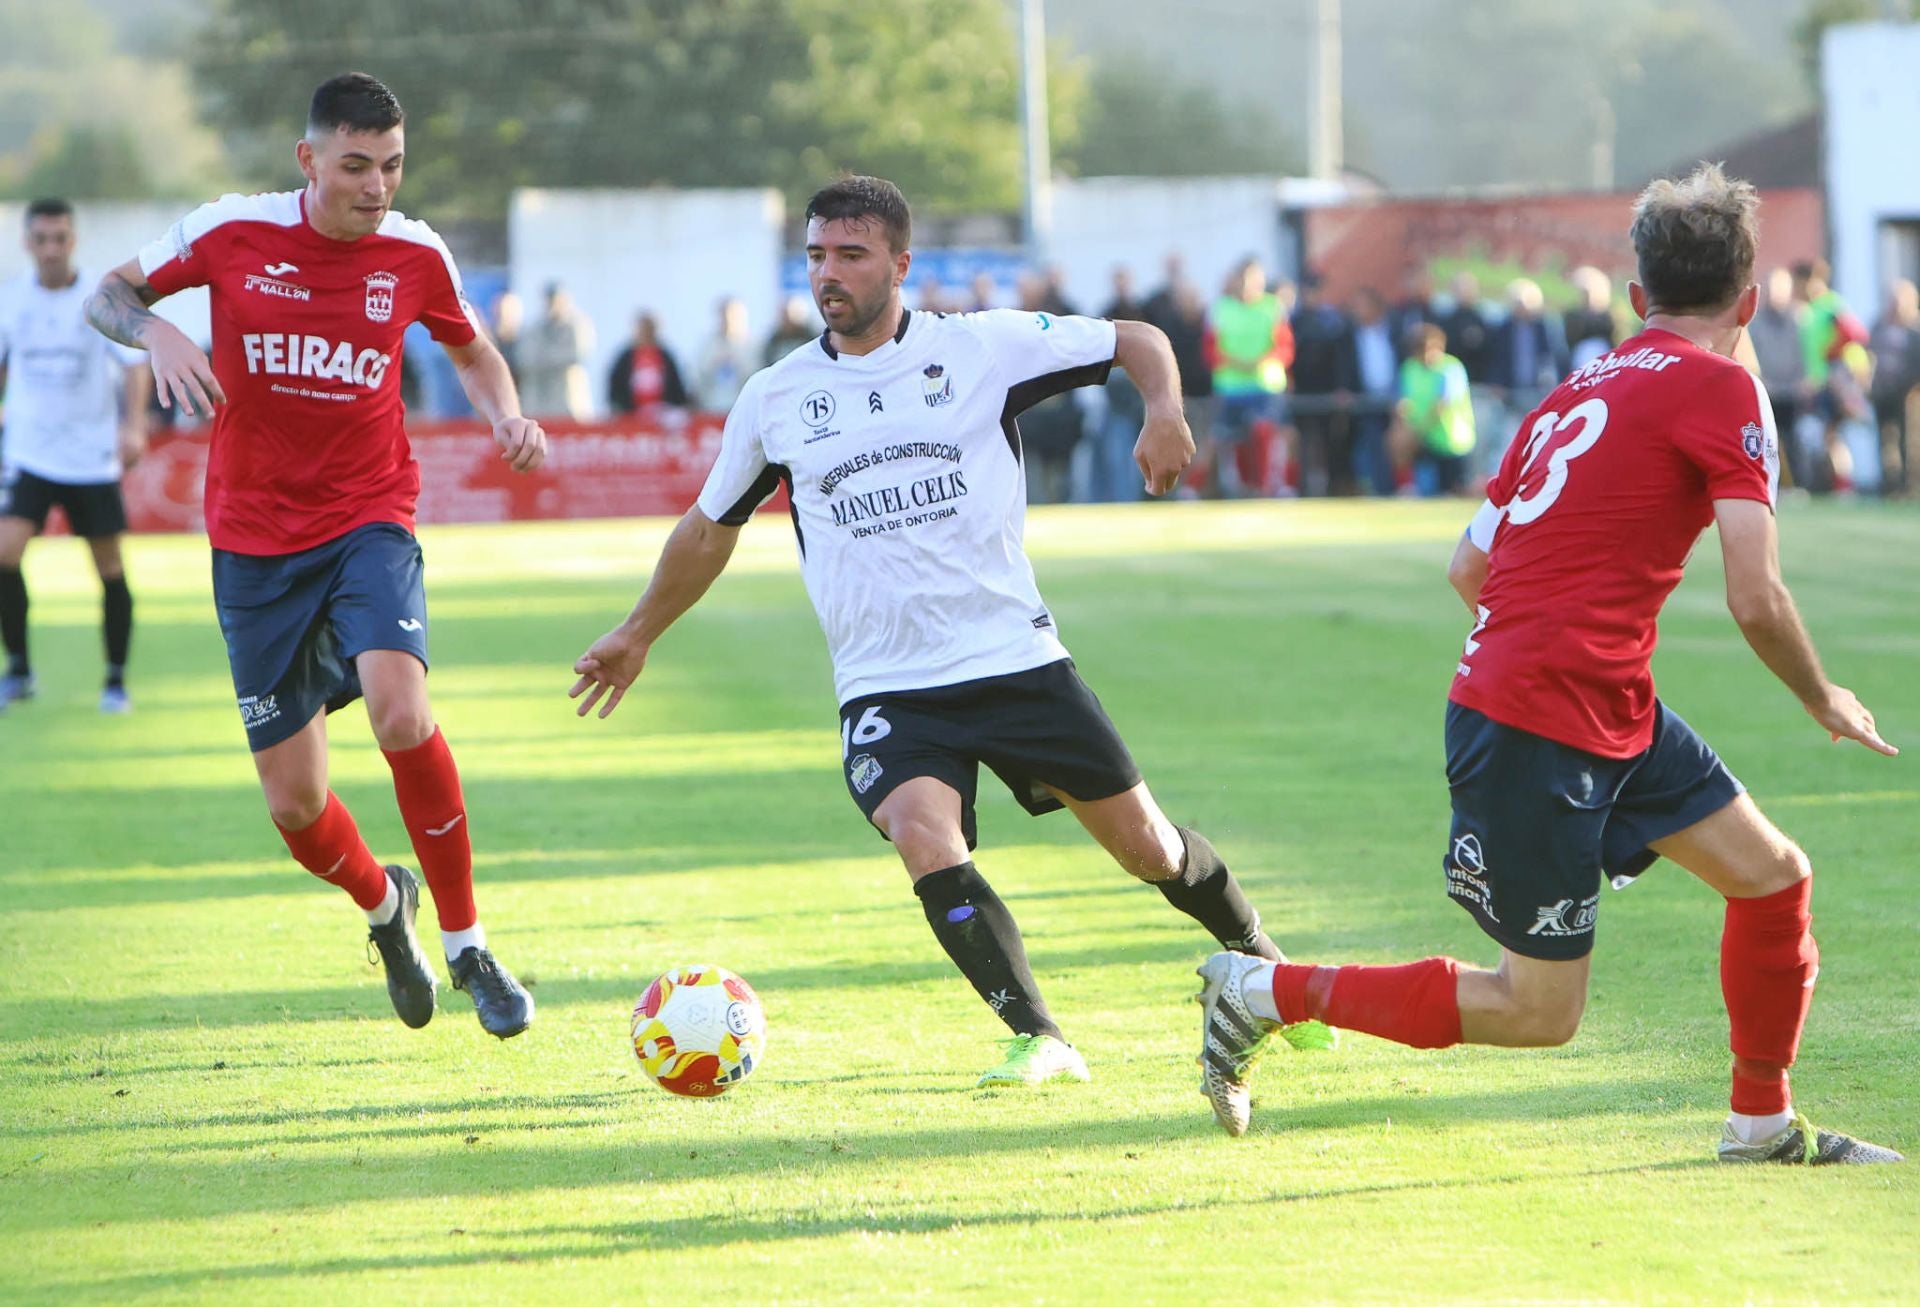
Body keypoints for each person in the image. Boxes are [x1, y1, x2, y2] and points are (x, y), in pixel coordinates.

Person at [1193, 164, 1903, 1166]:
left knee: (1774, 877)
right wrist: (1821, 694)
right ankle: (1259, 990)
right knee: (1537, 1009)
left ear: (1636, 299)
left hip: (1593, 699)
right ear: (1749, 300)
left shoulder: (1576, 389)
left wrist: (1559, 637)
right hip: (1541, 715)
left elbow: (1467, 566)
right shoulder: (1726, 383)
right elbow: (1756, 593)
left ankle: (1760, 1126)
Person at [571, 176, 1329, 1088]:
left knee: (1151, 850)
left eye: (850, 255)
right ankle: (1040, 1034)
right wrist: (639, 629)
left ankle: (1266, 967)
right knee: (922, 831)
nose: (828, 275)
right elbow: (708, 528)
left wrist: (1163, 410)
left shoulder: (981, 347)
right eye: (815, 256)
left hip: (1015, 660)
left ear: (900, 263)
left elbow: (1138, 340)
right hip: (888, 684)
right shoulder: (777, 396)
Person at [83, 72, 543, 1039]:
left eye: (393, 166)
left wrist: (506, 415)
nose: (377, 186)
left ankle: (469, 945)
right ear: (308, 160)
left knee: (400, 707)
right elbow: (108, 295)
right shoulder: (233, 230)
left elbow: (472, 349)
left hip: (369, 516)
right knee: (297, 805)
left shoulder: (414, 252)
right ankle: (387, 909)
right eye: (355, 166)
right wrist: (158, 325)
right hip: (252, 545)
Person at [0, 198, 150, 712]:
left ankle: (115, 680)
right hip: (30, 451)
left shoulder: (99, 296)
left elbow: (134, 362)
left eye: (59, 238)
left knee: (108, 567)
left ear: (73, 240)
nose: (50, 249)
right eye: (41, 239)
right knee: (4, 552)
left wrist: (134, 425)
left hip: (89, 456)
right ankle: (18, 670)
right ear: (28, 243)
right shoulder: (11, 299)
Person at [1204, 258, 1291, 497]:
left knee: (1264, 432)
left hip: (1265, 386)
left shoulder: (1273, 307)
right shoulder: (1220, 308)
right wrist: (1234, 362)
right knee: (1227, 439)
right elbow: (1210, 349)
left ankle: (1267, 488)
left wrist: (1261, 362)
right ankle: (1238, 487)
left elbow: (1285, 347)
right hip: (1230, 388)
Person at [1288, 272, 1356, 496]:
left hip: (1328, 391)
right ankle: (1303, 488)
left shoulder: (1334, 320)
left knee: (1331, 442)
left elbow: (1343, 358)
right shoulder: (1293, 320)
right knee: (1303, 443)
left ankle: (1333, 487)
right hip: (1301, 391)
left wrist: (1342, 387)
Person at [1396, 323, 1475, 496]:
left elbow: (1442, 405)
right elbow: (1404, 402)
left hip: (1452, 442)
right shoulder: (1410, 368)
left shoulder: (1451, 368)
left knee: (1456, 493)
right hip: (1425, 443)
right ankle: (1405, 487)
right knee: (1430, 494)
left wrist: (1416, 432)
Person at [1745, 268, 1805, 484]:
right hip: (1767, 389)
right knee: (1767, 441)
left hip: (1795, 390)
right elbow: (1750, 353)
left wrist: (1805, 380)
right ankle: (1770, 484)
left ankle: (1798, 484)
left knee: (1794, 439)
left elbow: (1808, 352)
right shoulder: (1756, 322)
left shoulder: (1801, 319)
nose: (1773, 293)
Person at [1867, 279, 1920, 496]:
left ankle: (1911, 485)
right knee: (1885, 438)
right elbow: (1869, 355)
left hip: (1909, 392)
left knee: (1910, 440)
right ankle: (1889, 485)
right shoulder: (1879, 325)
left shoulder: (1914, 330)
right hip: (1882, 391)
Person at [519, 282, 593, 419]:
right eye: (550, 300)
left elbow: (575, 356)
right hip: (539, 405)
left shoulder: (576, 325)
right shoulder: (534, 328)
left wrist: (545, 357)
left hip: (568, 404)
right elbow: (527, 359)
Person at [605, 311, 687, 415]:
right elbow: (616, 385)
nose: (646, 334)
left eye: (649, 330)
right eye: (643, 330)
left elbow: (676, 385)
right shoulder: (626, 358)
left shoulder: (665, 356)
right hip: (633, 413)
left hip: (661, 412)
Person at [694, 296, 756, 413]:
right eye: (724, 316)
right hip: (712, 408)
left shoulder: (752, 345)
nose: (727, 320)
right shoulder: (708, 345)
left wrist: (737, 364)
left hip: (741, 408)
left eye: (732, 316)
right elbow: (699, 378)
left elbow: (755, 376)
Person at [762, 295, 818, 367]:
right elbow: (767, 362)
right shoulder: (774, 341)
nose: (787, 319)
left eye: (791, 314)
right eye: (784, 315)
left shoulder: (811, 338)